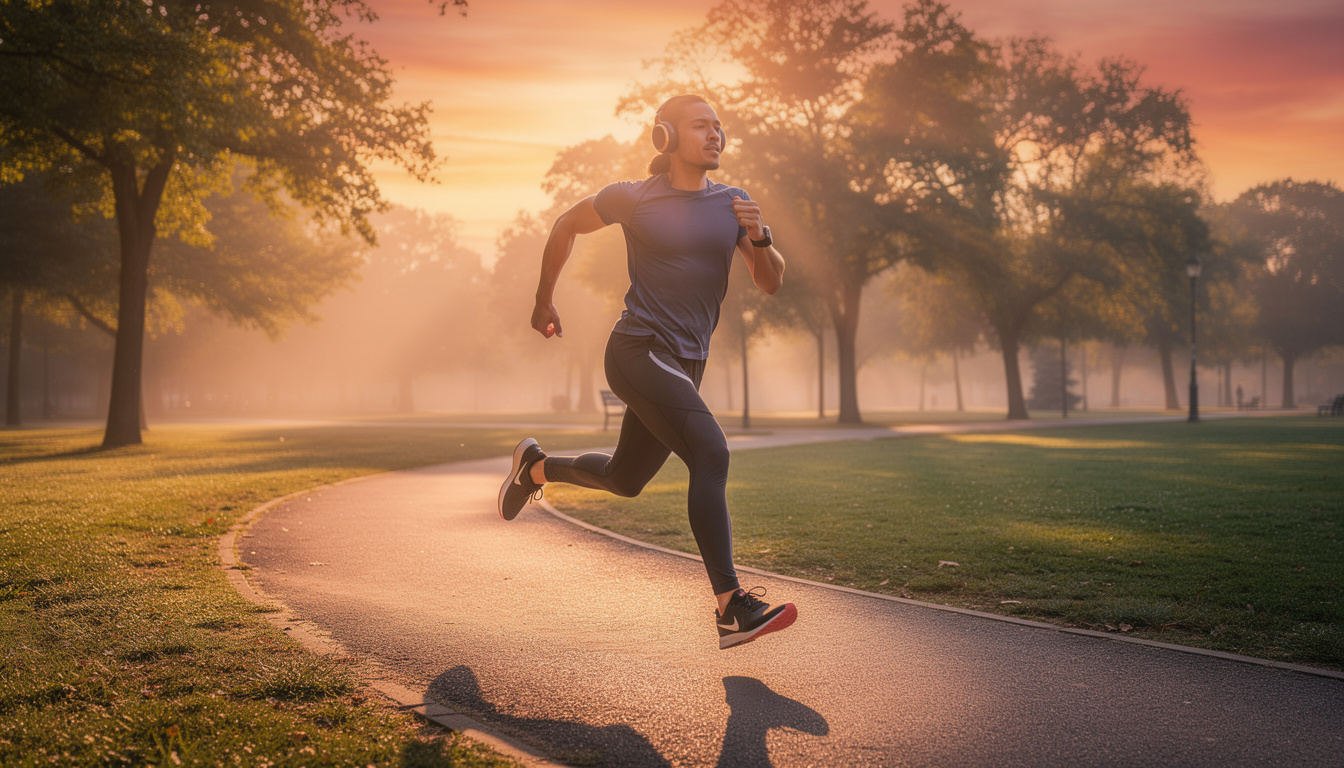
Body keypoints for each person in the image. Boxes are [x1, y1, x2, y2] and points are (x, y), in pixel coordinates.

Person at [497, 94, 795, 650]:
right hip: (639, 348)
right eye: (701, 126)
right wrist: (544, 301)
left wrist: (760, 236)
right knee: (712, 453)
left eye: (719, 126)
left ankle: (535, 469)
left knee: (624, 479)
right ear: (666, 137)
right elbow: (565, 225)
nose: (715, 135)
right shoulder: (632, 199)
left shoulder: (735, 204)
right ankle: (731, 607)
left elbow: (771, 281)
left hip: (686, 363)